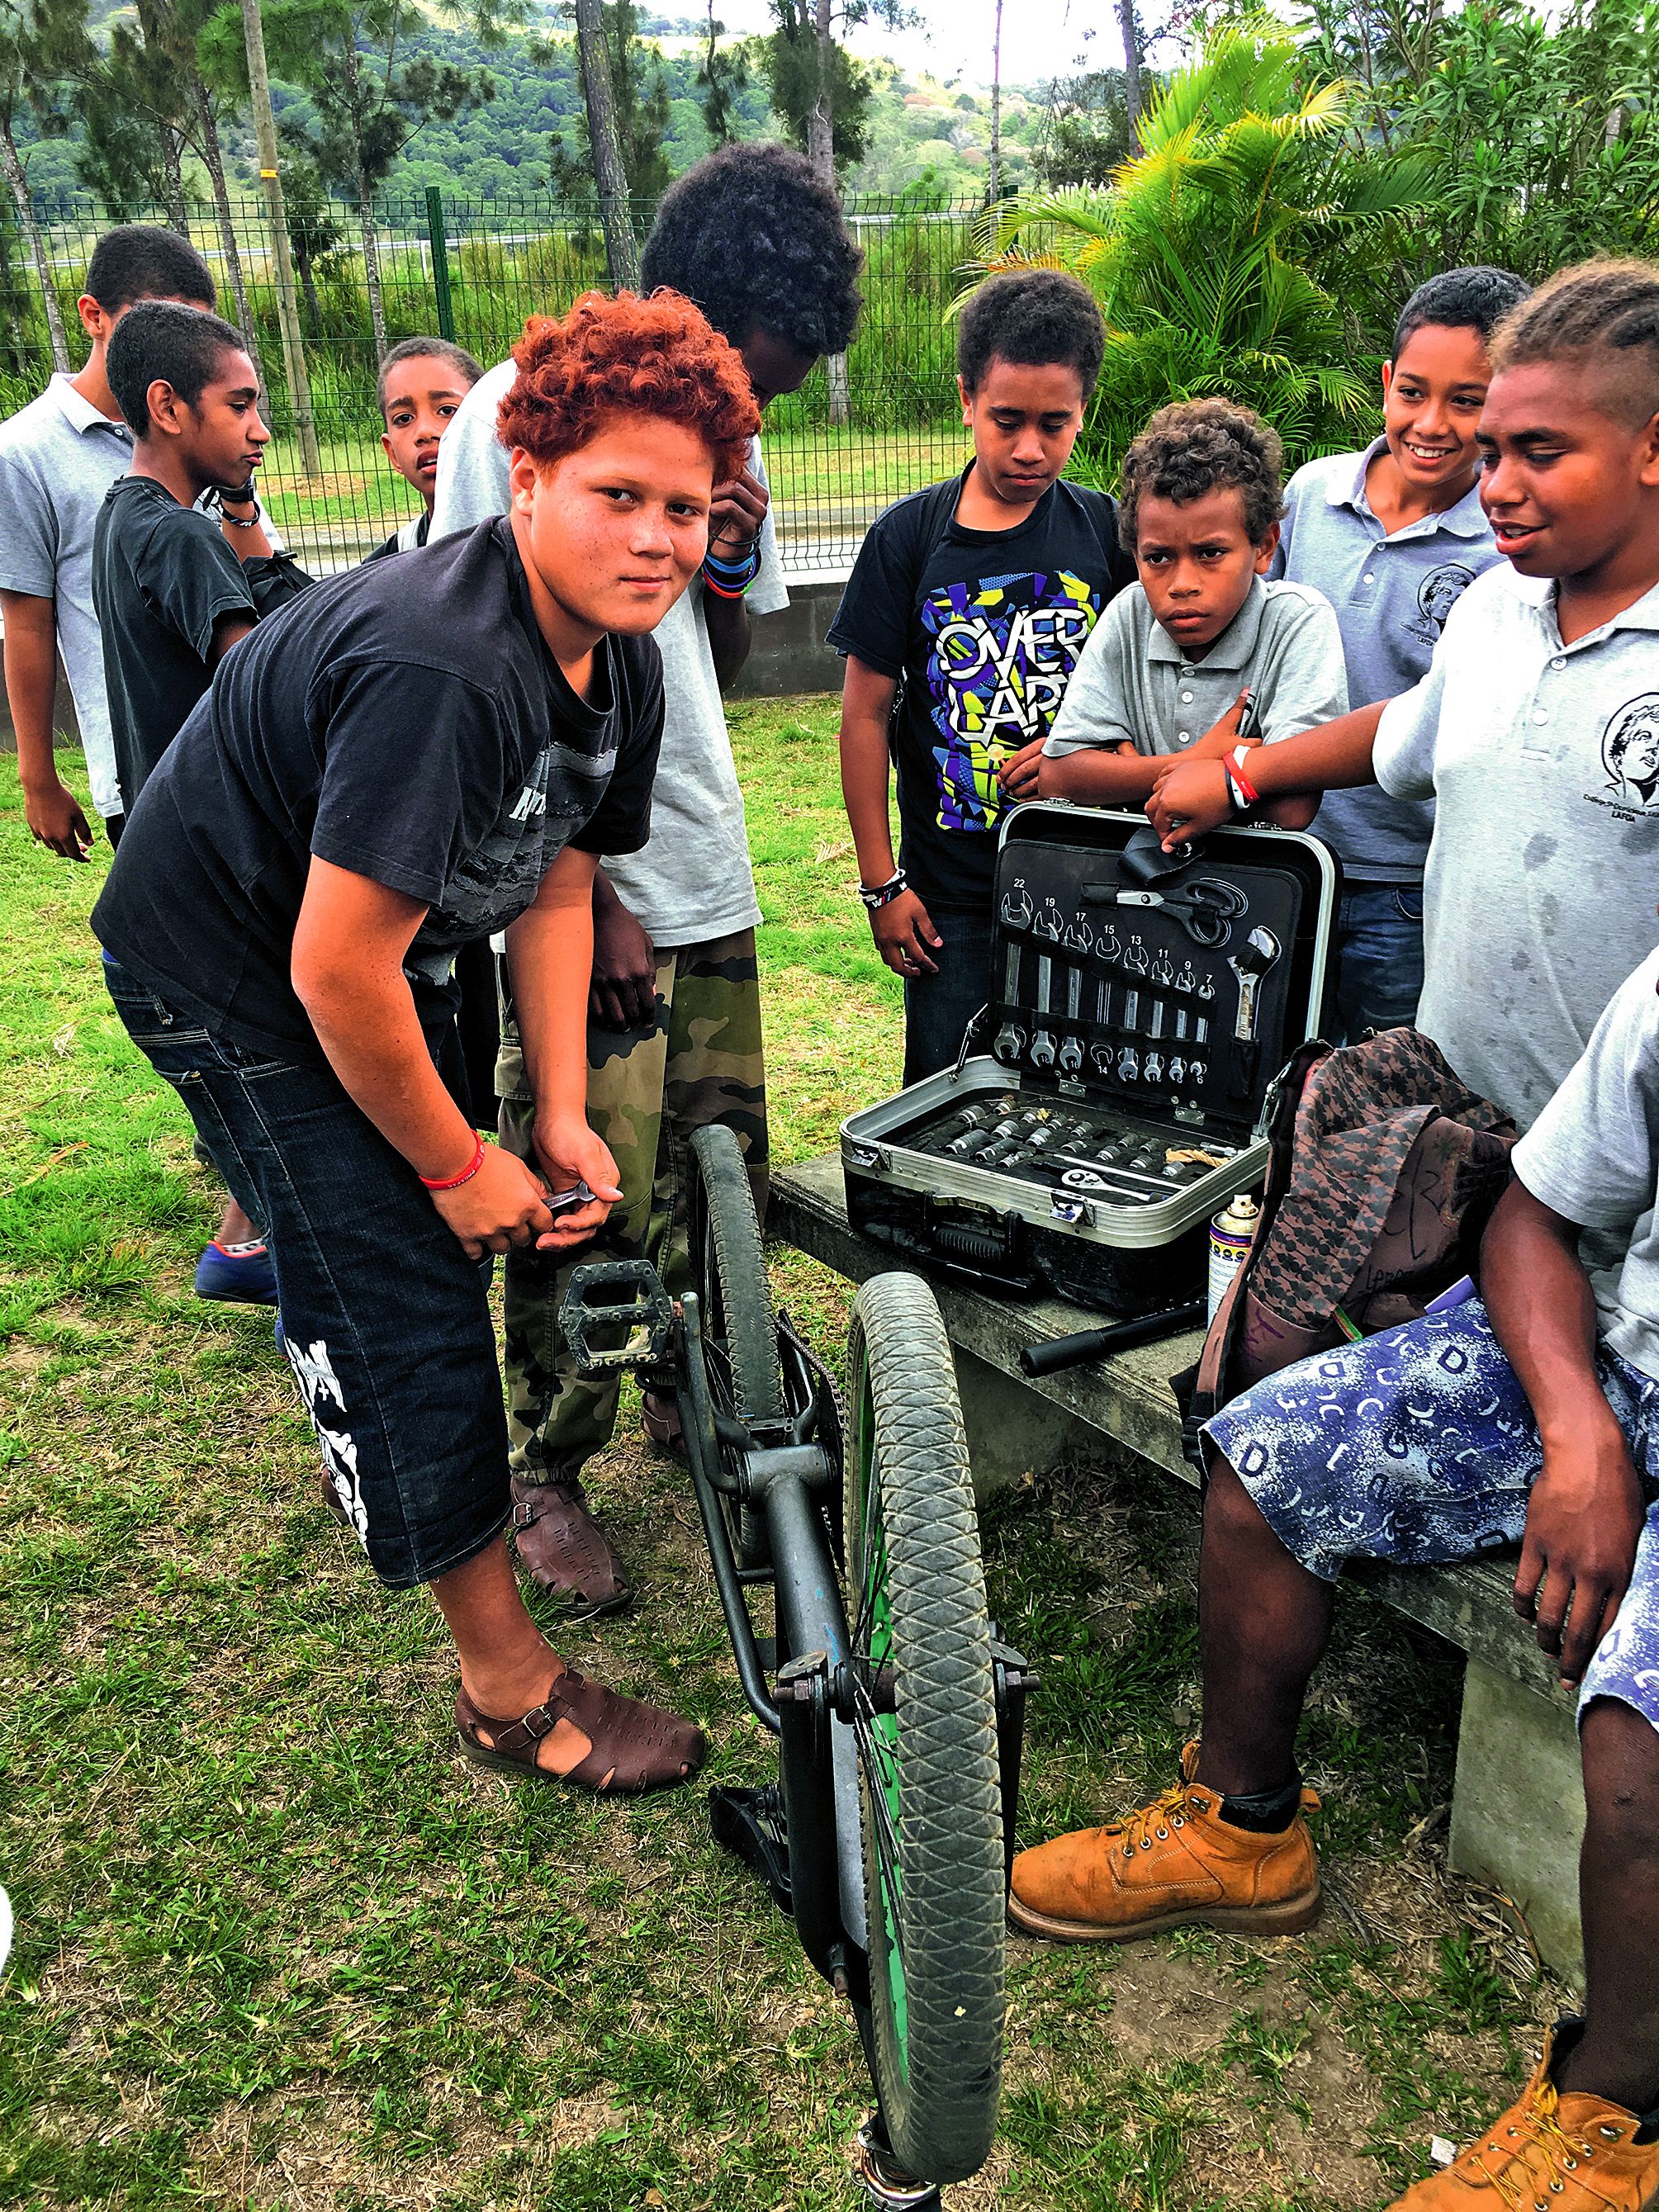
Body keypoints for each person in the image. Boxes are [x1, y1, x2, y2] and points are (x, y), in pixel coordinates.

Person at [1012, 256, 1659, 2208]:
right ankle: (1246, 1819)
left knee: (1633, 1713)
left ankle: (1615, 2099)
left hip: (1618, 1226)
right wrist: (1222, 771)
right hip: (1488, 1171)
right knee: (1260, 1449)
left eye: (1539, 444)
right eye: (1486, 432)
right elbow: (1378, 741)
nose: (1490, 466)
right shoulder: (1492, 623)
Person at [91, 289, 762, 1793]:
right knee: (400, 1272)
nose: (656, 538)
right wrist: (459, 1166)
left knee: (421, 1219)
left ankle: (378, 1302)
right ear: (522, 479)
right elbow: (334, 972)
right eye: (616, 496)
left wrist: (565, 1114)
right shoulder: (443, 666)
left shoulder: (624, 655)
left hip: (377, 953)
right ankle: (507, 1694)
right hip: (234, 967)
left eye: (684, 506)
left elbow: (562, 876)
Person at [432, 142, 863, 1613]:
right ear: (698, 300)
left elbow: (710, 669)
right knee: (581, 1181)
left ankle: (690, 1378)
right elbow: (476, 676)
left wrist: (727, 568)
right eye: (761, 368)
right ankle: (545, 1461)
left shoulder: (713, 442)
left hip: (706, 870)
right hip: (590, 890)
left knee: (707, 1162)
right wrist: (589, 888)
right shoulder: (519, 413)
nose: (758, 416)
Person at [829, 267, 1136, 1085]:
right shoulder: (906, 539)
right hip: (950, 901)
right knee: (947, 1097)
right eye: (1006, 420)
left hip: (1088, 885)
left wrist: (1088, 765)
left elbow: (1144, 695)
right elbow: (862, 719)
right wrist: (879, 885)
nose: (1028, 448)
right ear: (966, 399)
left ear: (1084, 413)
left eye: (1053, 423)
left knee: (1081, 1098)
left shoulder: (1108, 533)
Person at [91, 301, 312, 1305]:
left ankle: (248, 1245)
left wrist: (253, 543)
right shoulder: (177, 537)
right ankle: (286, 1268)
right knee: (302, 1154)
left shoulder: (120, 517)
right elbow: (263, 685)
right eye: (242, 404)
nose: (260, 427)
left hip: (167, 864)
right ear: (168, 406)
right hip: (222, 875)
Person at [1271, 265, 1530, 1038]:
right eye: (1412, 392)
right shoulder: (1311, 496)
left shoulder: (1505, 544)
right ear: (1385, 382)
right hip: (1281, 857)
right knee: (1264, 1075)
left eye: (1467, 400)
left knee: (1386, 1096)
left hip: (1406, 885)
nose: (1431, 422)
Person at [0, 224, 220, 858]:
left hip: (242, 744)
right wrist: (37, 775)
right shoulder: (25, 452)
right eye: (157, 324)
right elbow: (29, 623)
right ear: (93, 316)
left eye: (196, 331)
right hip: (141, 767)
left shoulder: (201, 421)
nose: (178, 351)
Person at [1036, 398, 1347, 816]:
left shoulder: (1296, 623)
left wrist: (1129, 777)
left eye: (1210, 553)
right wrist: (1197, 764)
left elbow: (1291, 809)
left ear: (1265, 547)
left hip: (1252, 878)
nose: (1182, 584)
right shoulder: (1131, 615)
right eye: (1158, 557)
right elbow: (1060, 777)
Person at [367, 336, 483, 560]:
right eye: (404, 418)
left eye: (447, 411)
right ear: (392, 454)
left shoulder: (534, 551)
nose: (424, 432)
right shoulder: (387, 564)